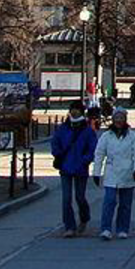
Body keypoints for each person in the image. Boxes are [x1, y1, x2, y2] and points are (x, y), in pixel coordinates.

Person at [92, 108, 135, 240]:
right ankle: (106, 228)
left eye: (121, 118)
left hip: (128, 173)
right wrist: (96, 173)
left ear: (125, 120)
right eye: (116, 118)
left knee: (125, 204)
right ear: (113, 119)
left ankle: (122, 229)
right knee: (109, 201)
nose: (119, 121)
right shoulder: (106, 136)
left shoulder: (133, 136)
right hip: (111, 173)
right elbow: (99, 154)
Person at [51, 100, 99, 237]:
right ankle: (69, 226)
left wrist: (85, 161)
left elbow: (92, 148)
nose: (74, 111)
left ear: (82, 111)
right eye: (72, 109)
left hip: (80, 168)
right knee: (66, 198)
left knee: (79, 197)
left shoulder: (88, 130)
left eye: (77, 109)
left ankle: (84, 217)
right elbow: (55, 142)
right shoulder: (63, 128)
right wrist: (57, 154)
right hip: (65, 167)